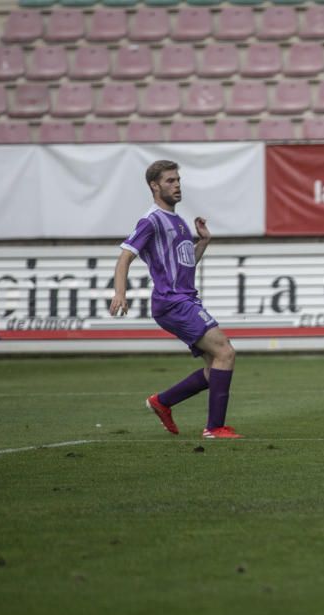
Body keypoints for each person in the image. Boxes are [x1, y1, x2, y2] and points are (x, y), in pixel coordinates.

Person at [109, 160, 241, 439]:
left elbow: (185, 263)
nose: (177, 185)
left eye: (178, 180)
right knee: (225, 352)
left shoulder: (178, 221)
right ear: (154, 186)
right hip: (172, 301)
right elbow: (124, 257)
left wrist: (202, 242)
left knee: (216, 364)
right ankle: (214, 428)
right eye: (170, 181)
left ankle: (163, 401)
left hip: (184, 299)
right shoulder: (152, 220)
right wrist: (120, 292)